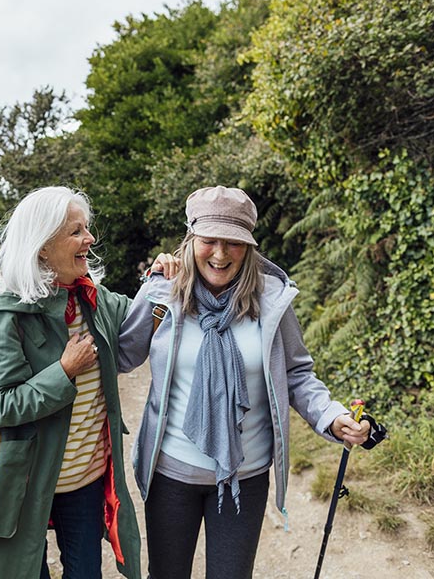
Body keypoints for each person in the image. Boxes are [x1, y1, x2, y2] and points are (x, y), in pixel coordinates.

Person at [119, 185, 371, 579]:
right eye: (209, 241)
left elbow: (297, 374)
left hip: (246, 475)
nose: (220, 254)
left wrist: (332, 416)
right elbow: (119, 355)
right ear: (190, 240)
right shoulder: (161, 294)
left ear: (250, 247)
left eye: (233, 242)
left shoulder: (272, 300)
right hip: (170, 474)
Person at [0, 186, 141, 579]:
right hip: (27, 482)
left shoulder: (91, 298)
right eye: (76, 232)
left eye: (87, 229)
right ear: (42, 246)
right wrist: (64, 371)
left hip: (85, 481)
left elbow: (143, 315)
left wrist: (163, 277)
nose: (89, 240)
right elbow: (2, 405)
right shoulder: (4, 314)